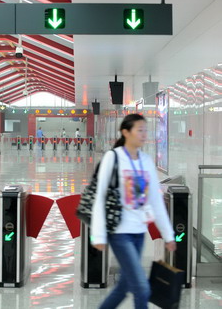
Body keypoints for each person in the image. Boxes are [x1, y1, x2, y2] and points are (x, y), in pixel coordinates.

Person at [91, 114, 176, 309]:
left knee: (124, 286)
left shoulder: (146, 161)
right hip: (119, 232)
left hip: (139, 232)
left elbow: (155, 200)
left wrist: (168, 235)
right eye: (139, 130)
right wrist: (98, 235)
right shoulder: (113, 158)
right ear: (125, 132)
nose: (144, 134)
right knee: (142, 288)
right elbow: (100, 196)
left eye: (146, 130)